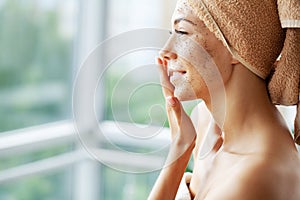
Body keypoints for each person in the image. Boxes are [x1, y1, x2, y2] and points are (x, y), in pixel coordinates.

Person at [148, 0, 300, 199]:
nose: (165, 51)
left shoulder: (253, 179)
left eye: (182, 33)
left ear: (237, 46)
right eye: (172, 33)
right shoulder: (203, 122)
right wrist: (180, 147)